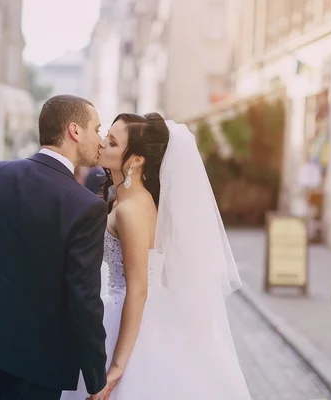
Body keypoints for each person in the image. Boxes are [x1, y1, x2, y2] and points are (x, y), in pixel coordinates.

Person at [61, 113, 252, 399]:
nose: (101, 144)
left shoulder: (131, 210)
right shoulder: (134, 201)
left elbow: (138, 290)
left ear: (136, 160)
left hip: (130, 322)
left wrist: (116, 366)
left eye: (112, 142)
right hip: (138, 313)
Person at [0, 95, 111, 400]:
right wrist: (95, 377)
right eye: (96, 129)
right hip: (36, 364)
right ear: (75, 130)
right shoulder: (85, 206)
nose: (101, 139)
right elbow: (83, 297)